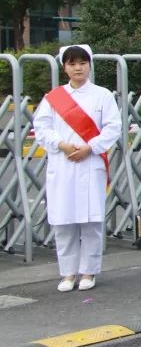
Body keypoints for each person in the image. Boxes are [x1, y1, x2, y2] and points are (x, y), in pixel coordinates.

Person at [33, 44, 121, 292]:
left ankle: (88, 271)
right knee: (63, 220)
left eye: (82, 63)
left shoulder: (102, 95)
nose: (78, 68)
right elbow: (41, 128)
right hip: (62, 164)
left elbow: (113, 127)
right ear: (65, 67)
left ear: (90, 64)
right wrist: (60, 144)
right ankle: (67, 273)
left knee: (91, 220)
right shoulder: (53, 98)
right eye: (72, 63)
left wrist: (90, 147)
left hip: (90, 162)